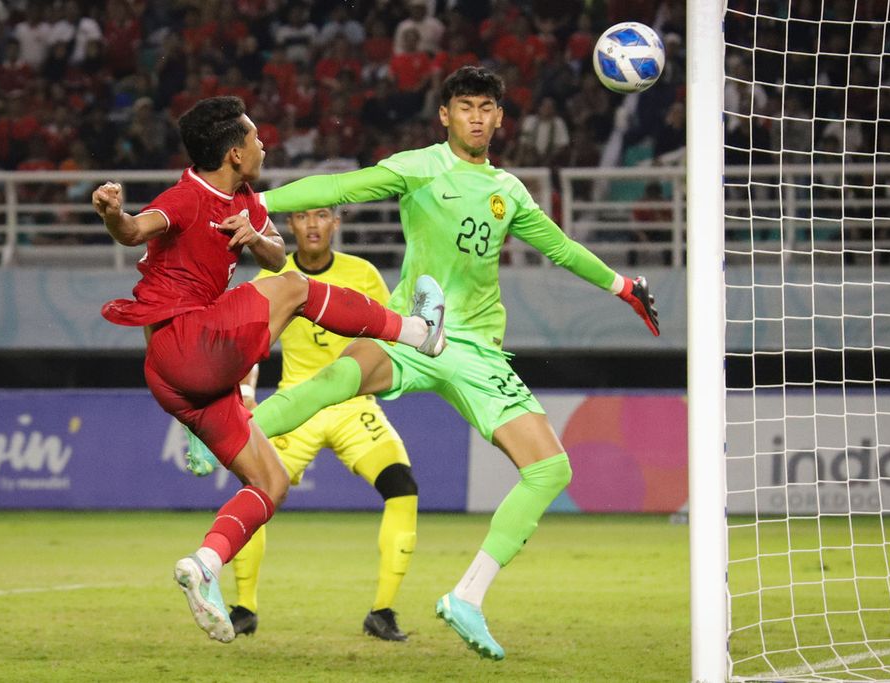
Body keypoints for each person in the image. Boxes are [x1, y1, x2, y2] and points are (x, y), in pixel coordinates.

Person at [215, 66, 660, 660]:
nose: (477, 116)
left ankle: (467, 597)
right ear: (445, 115)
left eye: (487, 107)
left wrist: (622, 285)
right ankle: (219, 434)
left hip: (476, 349)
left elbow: (558, 247)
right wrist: (256, 203)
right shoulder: (420, 166)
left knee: (551, 470)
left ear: (501, 118)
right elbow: (341, 186)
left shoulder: (509, 191)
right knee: (337, 379)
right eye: (465, 106)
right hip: (416, 328)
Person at [91, 95, 445, 644]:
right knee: (298, 289)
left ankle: (205, 565)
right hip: (188, 342)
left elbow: (276, 256)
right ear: (234, 153)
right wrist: (114, 213)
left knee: (271, 482)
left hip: (174, 381)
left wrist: (255, 237)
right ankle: (417, 332)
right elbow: (138, 230)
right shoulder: (189, 196)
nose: (264, 144)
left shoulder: (248, 201)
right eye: (256, 138)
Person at [190, 206, 418, 642]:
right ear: (289, 226)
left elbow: (388, 335)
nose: (313, 225)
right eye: (303, 217)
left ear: (336, 223)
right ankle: (244, 608)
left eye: (323, 216)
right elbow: (247, 348)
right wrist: (247, 394)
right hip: (298, 404)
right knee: (255, 492)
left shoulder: (364, 272)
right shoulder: (272, 278)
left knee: (402, 487)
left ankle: (383, 611)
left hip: (354, 405)